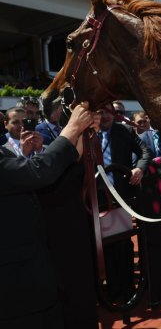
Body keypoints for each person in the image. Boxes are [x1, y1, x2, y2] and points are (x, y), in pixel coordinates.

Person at [0, 103, 94, 329]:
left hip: (34, 283)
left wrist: (79, 135)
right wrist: (71, 129)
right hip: (18, 294)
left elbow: (29, 175)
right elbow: (38, 172)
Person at [97, 103, 153, 300]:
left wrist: (139, 168)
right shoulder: (86, 134)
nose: (105, 116)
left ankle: (127, 289)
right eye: (100, 112)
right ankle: (111, 291)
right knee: (103, 248)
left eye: (108, 112)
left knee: (122, 244)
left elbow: (145, 152)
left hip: (119, 198)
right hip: (95, 201)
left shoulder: (124, 131)